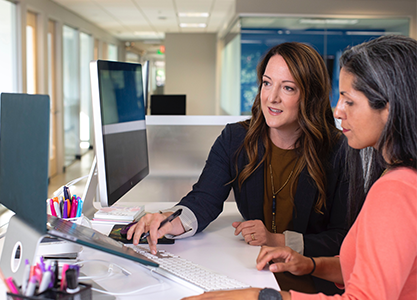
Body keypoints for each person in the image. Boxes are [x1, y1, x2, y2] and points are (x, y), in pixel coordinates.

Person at [182, 34, 417, 300]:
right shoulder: (397, 177)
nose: (338, 111)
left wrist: (258, 297)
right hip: (283, 269)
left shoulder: (394, 189)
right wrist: (309, 263)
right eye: (267, 84)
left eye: (349, 101)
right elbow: (362, 268)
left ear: (389, 109)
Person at [129, 42, 349, 293]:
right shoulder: (236, 139)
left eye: (287, 88)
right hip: (254, 273)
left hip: (314, 283)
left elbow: (342, 237)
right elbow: (204, 199)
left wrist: (278, 240)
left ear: (310, 96)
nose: (272, 97)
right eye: (267, 83)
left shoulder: (339, 151)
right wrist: (169, 221)